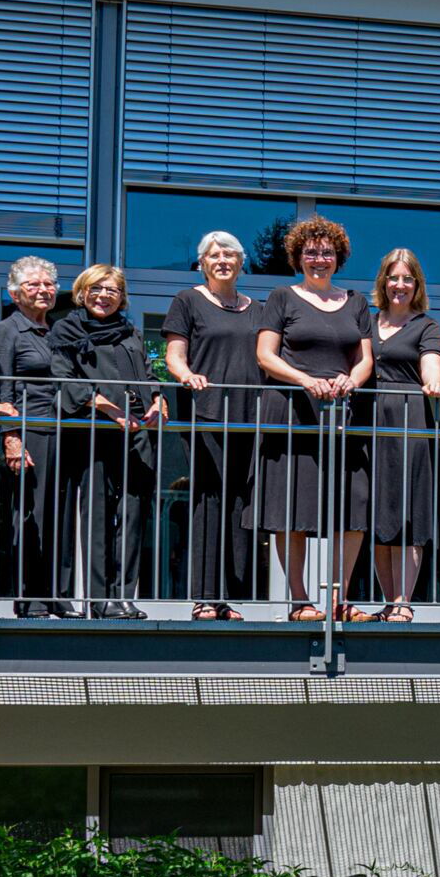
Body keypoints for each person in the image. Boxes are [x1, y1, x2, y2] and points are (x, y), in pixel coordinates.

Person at [252, 217, 372, 624]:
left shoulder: (356, 301)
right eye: (310, 252)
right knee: (294, 507)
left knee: (352, 506)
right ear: (298, 257)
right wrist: (306, 380)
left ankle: (337, 597)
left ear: (338, 258)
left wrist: (349, 380)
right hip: (291, 414)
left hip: (341, 416)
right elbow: (265, 355)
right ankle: (301, 600)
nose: (318, 259)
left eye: (326, 252)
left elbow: (364, 359)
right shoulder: (282, 296)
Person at [161, 231, 265, 620]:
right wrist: (187, 375)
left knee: (240, 503)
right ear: (202, 263)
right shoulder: (188, 300)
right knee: (209, 500)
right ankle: (205, 596)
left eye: (230, 255)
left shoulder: (258, 308)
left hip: (249, 416)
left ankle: (230, 598)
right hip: (205, 412)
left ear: (241, 263)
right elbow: (174, 355)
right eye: (214, 255)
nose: (222, 260)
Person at [59, 264, 164, 619]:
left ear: (122, 297)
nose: (104, 296)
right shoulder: (66, 329)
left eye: (112, 290)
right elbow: (64, 381)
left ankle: (124, 597)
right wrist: (107, 408)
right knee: (99, 517)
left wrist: (157, 400)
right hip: (95, 435)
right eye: (96, 289)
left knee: (134, 515)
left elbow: (149, 376)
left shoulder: (130, 333)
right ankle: (99, 599)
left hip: (137, 434)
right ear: (82, 292)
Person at [356, 249, 440, 620]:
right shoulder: (367, 322)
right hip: (371, 422)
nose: (400, 285)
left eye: (407, 279)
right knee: (379, 512)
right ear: (383, 281)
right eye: (394, 278)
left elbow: (432, 365)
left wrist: (435, 383)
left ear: (417, 285)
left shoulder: (425, 325)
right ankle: (387, 599)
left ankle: (404, 601)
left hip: (410, 421)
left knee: (410, 511)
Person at [0, 256, 78, 618]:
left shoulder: (56, 331)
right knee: (32, 516)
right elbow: (1, 388)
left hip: (62, 432)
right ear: (14, 293)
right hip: (29, 431)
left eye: (49, 284)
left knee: (62, 515)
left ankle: (59, 594)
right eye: (33, 285)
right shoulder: (6, 330)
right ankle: (32, 598)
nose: (43, 290)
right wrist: (10, 436)